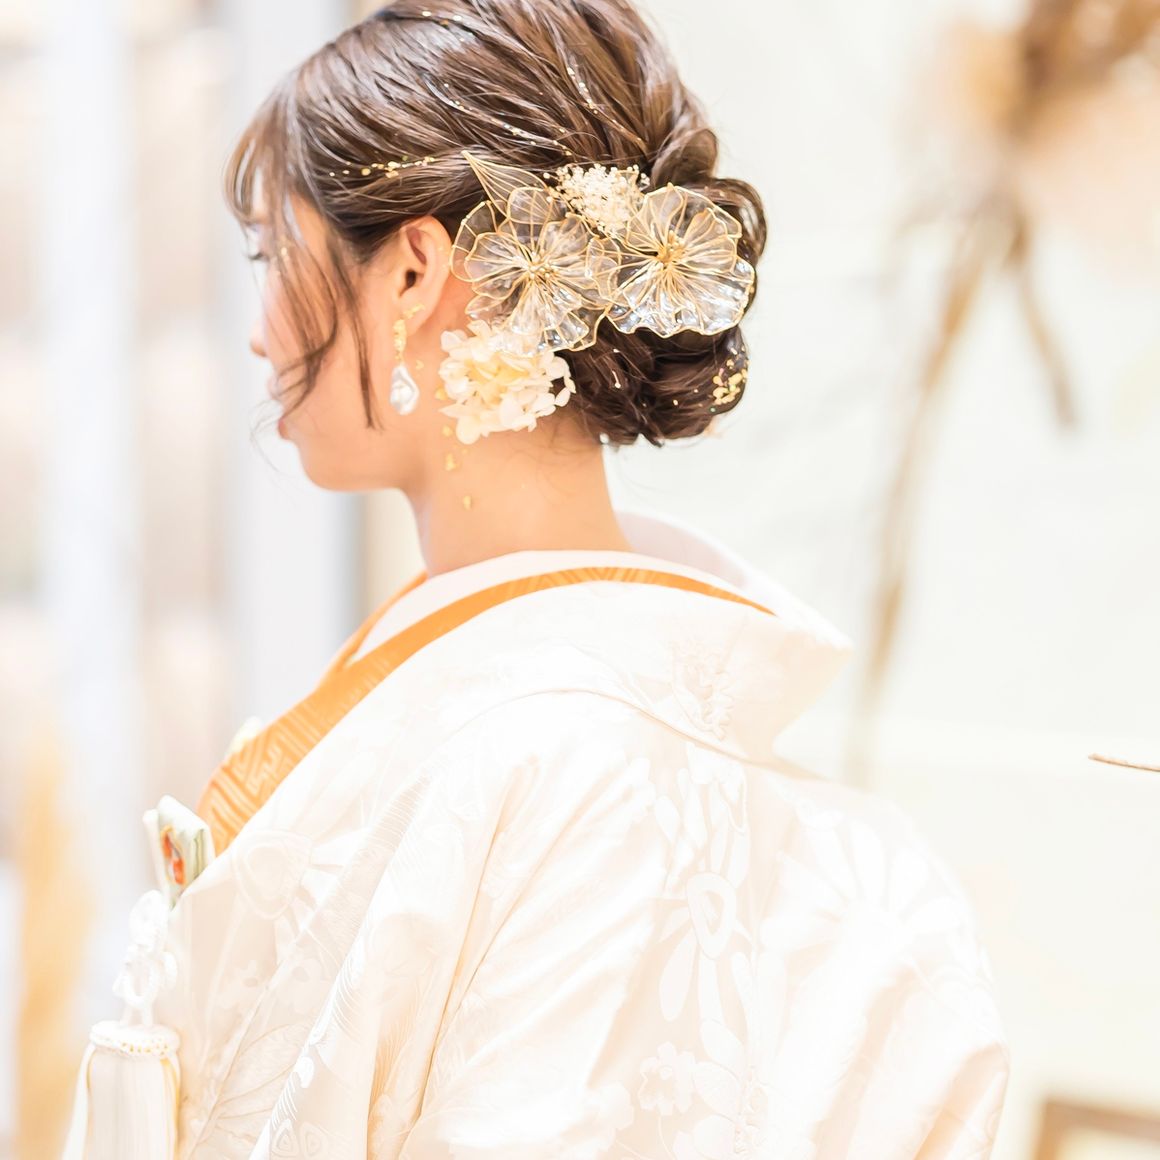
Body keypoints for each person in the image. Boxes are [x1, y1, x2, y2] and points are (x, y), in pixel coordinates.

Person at [64, 1, 1011, 1157]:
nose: (259, 332)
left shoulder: (550, 759)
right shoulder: (671, 761)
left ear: (414, 272)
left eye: (273, 256)